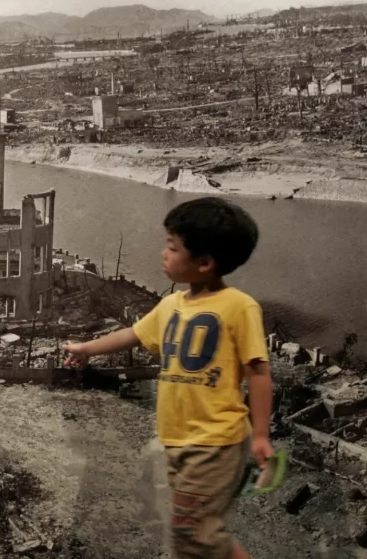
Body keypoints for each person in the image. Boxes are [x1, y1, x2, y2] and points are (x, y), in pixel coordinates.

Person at [63, 197, 274, 559]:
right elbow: (132, 334)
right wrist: (87, 348)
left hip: (215, 442)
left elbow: (258, 372)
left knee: (192, 534)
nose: (163, 253)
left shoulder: (239, 307)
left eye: (173, 248)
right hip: (178, 440)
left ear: (205, 263)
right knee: (200, 531)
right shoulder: (171, 306)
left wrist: (260, 435)